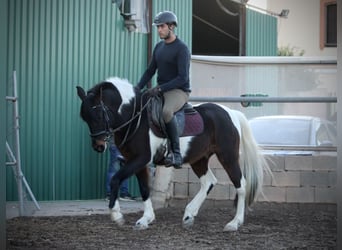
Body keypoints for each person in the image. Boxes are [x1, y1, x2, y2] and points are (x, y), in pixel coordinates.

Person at [136, 11, 191, 169]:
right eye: (158, 27)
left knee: (167, 112)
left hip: (178, 91)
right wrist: (137, 88)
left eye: (162, 26)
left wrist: (160, 88)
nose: (159, 30)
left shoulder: (182, 49)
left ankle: (176, 153)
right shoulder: (159, 47)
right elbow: (150, 71)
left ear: (172, 27)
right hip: (161, 90)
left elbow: (183, 78)